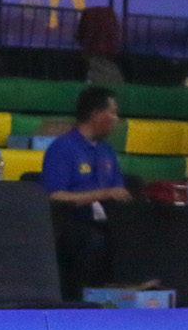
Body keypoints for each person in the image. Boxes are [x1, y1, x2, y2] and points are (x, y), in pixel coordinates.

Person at [39, 85, 132, 299]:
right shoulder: (62, 148)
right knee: (93, 241)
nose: (116, 119)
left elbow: (118, 191)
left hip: (107, 222)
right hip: (72, 225)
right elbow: (54, 196)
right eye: (113, 112)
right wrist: (102, 194)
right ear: (96, 114)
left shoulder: (106, 151)